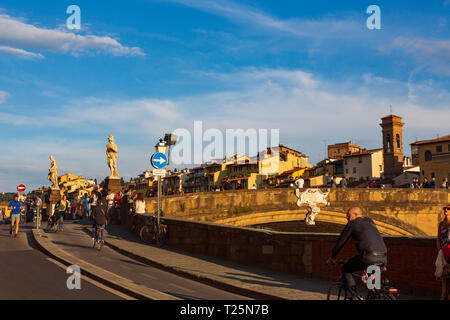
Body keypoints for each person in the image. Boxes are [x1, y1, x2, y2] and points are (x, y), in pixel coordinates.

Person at [326, 206, 387, 297]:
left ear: (355, 215)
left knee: (346, 268)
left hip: (369, 257)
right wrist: (383, 264)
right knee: (373, 287)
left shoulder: (352, 224)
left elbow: (341, 242)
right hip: (383, 258)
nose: (346, 217)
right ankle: (377, 293)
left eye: (348, 215)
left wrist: (333, 257)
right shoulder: (370, 222)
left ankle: (353, 296)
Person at [437, 205, 450, 300]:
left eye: (448, 208)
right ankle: (443, 295)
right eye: (445, 208)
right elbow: (438, 238)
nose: (446, 210)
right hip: (443, 251)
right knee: (443, 275)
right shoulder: (441, 224)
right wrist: (439, 250)